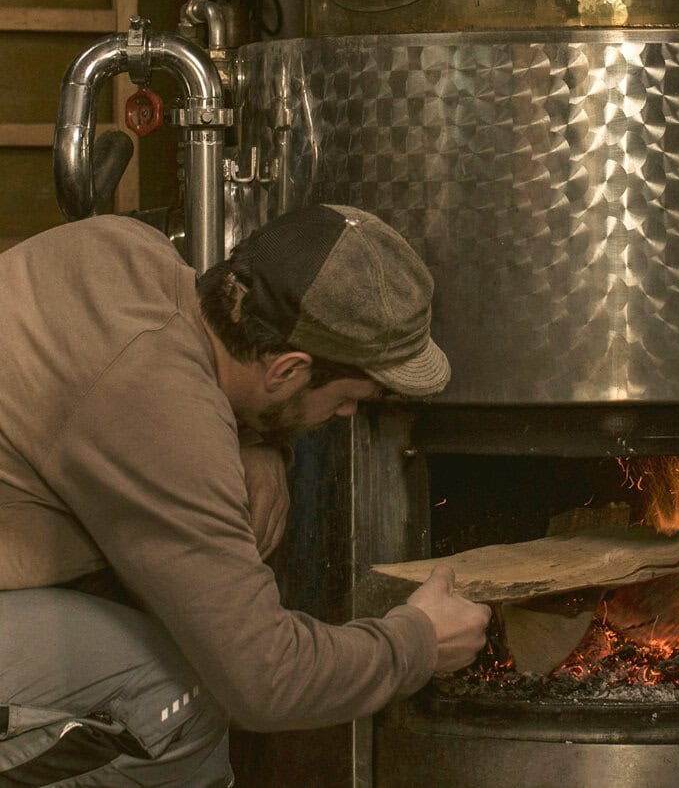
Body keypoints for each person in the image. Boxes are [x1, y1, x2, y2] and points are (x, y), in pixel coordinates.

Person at [0, 205, 490, 785]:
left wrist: (258, 435)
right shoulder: (162, 420)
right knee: (180, 692)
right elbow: (266, 681)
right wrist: (419, 641)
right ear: (285, 371)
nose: (345, 414)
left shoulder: (124, 246)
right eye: (348, 399)